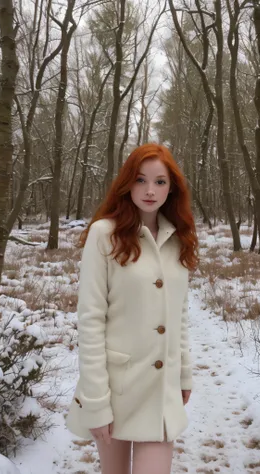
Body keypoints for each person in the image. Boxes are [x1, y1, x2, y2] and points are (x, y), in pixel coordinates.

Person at [66, 143, 199, 474]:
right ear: (127, 183)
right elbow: (91, 320)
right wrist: (96, 403)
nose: (150, 190)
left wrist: (183, 372)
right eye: (141, 180)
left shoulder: (179, 238)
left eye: (160, 182)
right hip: (115, 389)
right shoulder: (104, 235)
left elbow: (179, 313)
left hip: (161, 391)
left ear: (173, 188)